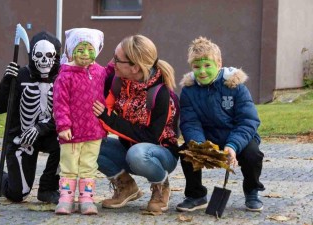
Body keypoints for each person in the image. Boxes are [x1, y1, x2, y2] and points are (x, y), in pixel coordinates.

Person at [92, 34, 180, 213]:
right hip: (129, 148)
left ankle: (160, 185)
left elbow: (150, 137)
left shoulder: (161, 94)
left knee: (137, 153)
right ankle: (126, 186)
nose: (112, 63)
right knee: (89, 145)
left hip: (160, 154)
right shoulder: (118, 80)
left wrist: (108, 118)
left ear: (135, 67)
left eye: (117, 59)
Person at [176, 36, 265, 212]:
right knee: (186, 151)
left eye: (207, 65)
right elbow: (189, 122)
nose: (202, 71)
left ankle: (252, 191)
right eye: (197, 66)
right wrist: (201, 146)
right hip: (207, 137)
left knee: (252, 154)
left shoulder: (235, 86)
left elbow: (248, 121)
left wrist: (233, 145)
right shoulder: (188, 90)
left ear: (219, 63)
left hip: (237, 137)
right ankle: (196, 195)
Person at [0, 31, 61, 204]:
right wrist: (7, 81)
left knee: (68, 143)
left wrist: (41, 128)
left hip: (49, 133)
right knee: (18, 194)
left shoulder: (62, 77)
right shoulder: (20, 75)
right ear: (31, 56)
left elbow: (65, 113)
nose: (44, 61)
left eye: (49, 56)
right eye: (39, 56)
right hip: (22, 139)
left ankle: (48, 187)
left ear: (56, 57)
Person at [53, 28, 110, 215]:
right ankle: (66, 199)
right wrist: (63, 125)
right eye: (80, 49)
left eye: (89, 49)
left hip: (93, 130)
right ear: (71, 50)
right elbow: (60, 103)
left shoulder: (101, 72)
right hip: (71, 132)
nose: (85, 54)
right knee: (69, 166)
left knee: (89, 166)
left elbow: (112, 72)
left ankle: (87, 199)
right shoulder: (65, 75)